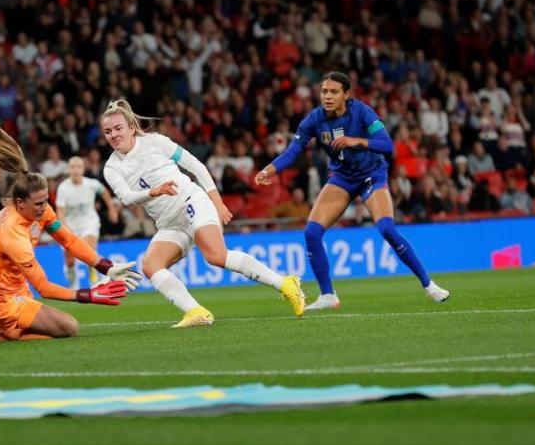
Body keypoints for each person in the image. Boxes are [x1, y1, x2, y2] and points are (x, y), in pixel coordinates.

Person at [0, 122, 141, 343]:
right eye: (38, 203)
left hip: (16, 288)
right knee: (68, 327)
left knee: (42, 329)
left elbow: (67, 239)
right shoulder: (12, 232)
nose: (44, 207)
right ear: (20, 203)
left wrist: (106, 266)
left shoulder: (41, 211)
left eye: (46, 201)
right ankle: (2, 332)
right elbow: (44, 288)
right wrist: (89, 295)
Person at [101, 99, 305, 328]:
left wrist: (217, 202)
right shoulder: (111, 167)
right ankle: (197, 312)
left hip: (191, 201)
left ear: (130, 126)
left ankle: (286, 284)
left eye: (118, 128)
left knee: (216, 255)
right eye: (108, 131)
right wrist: (154, 191)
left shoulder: (155, 142)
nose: (113, 135)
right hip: (169, 223)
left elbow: (196, 166)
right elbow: (127, 197)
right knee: (151, 265)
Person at [255, 72, 450, 309]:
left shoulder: (362, 112)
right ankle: (328, 295)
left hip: (372, 176)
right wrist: (269, 170)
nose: (327, 96)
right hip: (342, 178)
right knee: (311, 233)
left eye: (334, 92)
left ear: (347, 94)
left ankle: (430, 286)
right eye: (324, 91)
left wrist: (357, 141)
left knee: (387, 228)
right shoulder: (314, 120)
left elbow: (387, 145)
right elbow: (292, 151)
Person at [55, 156, 119, 290]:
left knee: (88, 251)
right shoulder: (63, 188)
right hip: (70, 227)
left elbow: (104, 192)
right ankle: (74, 287)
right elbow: (60, 211)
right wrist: (65, 229)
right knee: (70, 260)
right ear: (68, 169)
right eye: (73, 167)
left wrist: (112, 208)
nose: (76, 170)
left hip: (89, 223)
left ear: (83, 169)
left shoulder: (92, 184)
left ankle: (95, 281)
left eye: (79, 167)